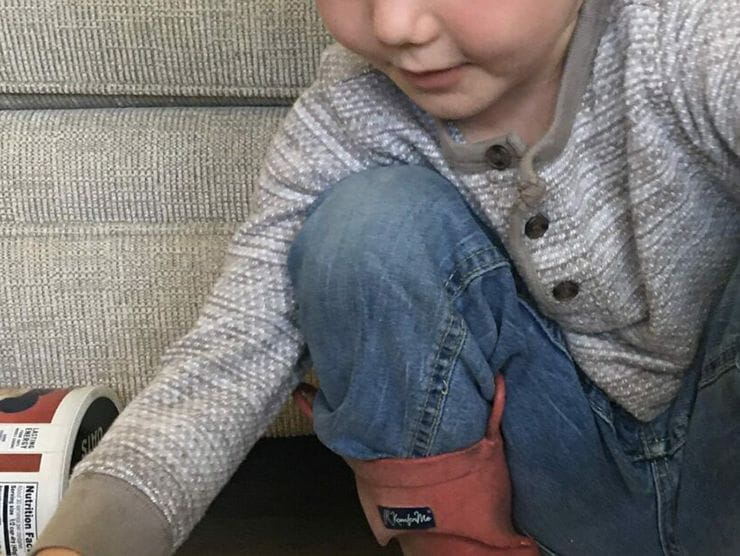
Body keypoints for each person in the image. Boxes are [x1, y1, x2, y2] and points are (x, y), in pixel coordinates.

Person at [34, 0, 739, 554]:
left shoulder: (693, 36)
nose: (394, 23)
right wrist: (86, 539)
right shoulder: (351, 112)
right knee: (367, 226)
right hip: (549, 493)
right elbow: (236, 345)